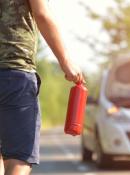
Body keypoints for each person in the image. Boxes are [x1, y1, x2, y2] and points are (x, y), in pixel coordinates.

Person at [0, 0, 85, 174]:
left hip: (12, 76)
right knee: (19, 157)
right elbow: (42, 14)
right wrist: (65, 61)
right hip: (14, 72)